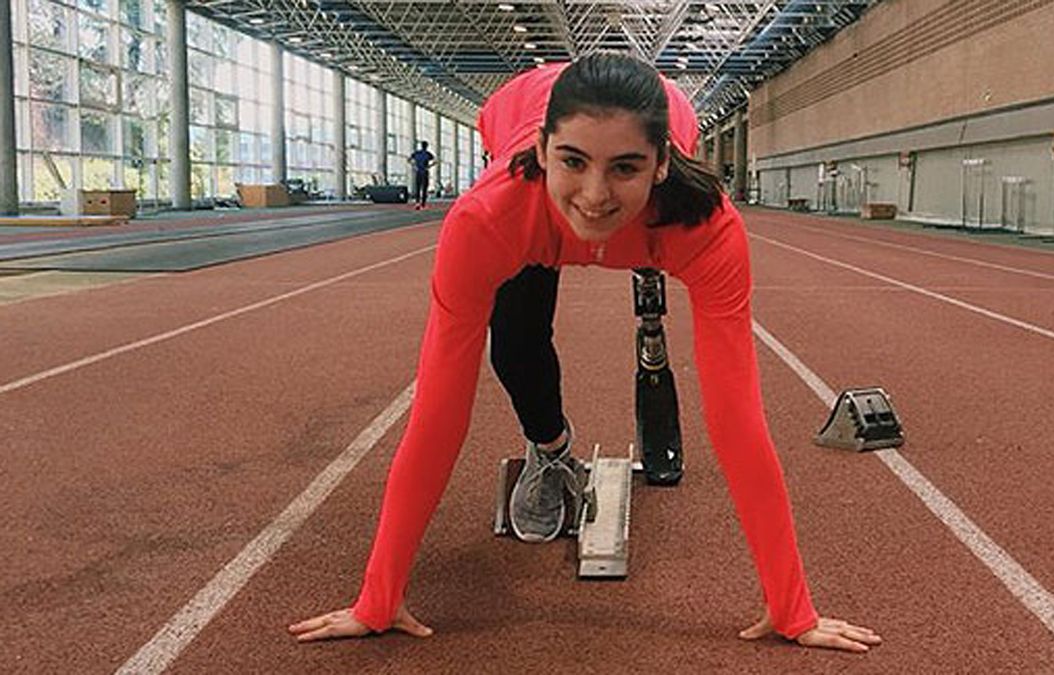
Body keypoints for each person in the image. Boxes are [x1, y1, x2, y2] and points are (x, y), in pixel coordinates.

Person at [288, 53, 882, 653]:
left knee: (620, 229)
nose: (595, 195)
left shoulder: (708, 228)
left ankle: (642, 252)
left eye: (625, 167)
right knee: (514, 347)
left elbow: (737, 420)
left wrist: (792, 609)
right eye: (574, 161)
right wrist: (379, 598)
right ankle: (551, 447)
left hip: (650, 203)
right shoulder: (486, 219)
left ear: (661, 165)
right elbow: (440, 410)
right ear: (545, 149)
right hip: (528, 181)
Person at [408, 141, 436, 209]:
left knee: (418, 187)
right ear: (426, 146)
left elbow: (409, 160)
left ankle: (417, 203)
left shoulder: (417, 153)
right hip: (425, 171)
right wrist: (429, 166)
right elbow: (435, 161)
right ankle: (423, 204)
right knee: (424, 188)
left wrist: (414, 166)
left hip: (418, 172)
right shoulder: (428, 154)